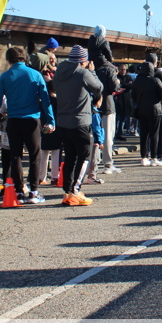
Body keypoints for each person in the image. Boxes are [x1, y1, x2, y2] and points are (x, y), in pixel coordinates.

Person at [0, 46, 55, 203]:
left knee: (16, 156)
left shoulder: (5, 76)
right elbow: (46, 100)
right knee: (34, 155)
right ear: (24, 58)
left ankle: (19, 191)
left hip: (13, 120)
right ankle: (33, 191)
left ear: (8, 59)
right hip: (32, 120)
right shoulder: (35, 74)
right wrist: (51, 120)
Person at [52, 45, 102, 205]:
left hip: (63, 121)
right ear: (83, 61)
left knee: (70, 157)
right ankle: (75, 190)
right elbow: (98, 87)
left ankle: (67, 191)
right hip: (80, 121)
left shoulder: (59, 72)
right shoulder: (83, 73)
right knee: (84, 156)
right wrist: (92, 71)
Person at [133, 61, 162, 166]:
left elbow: (133, 95)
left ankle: (143, 157)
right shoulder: (155, 80)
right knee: (154, 134)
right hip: (155, 110)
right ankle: (154, 157)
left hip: (141, 109)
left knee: (143, 135)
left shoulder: (137, 81)